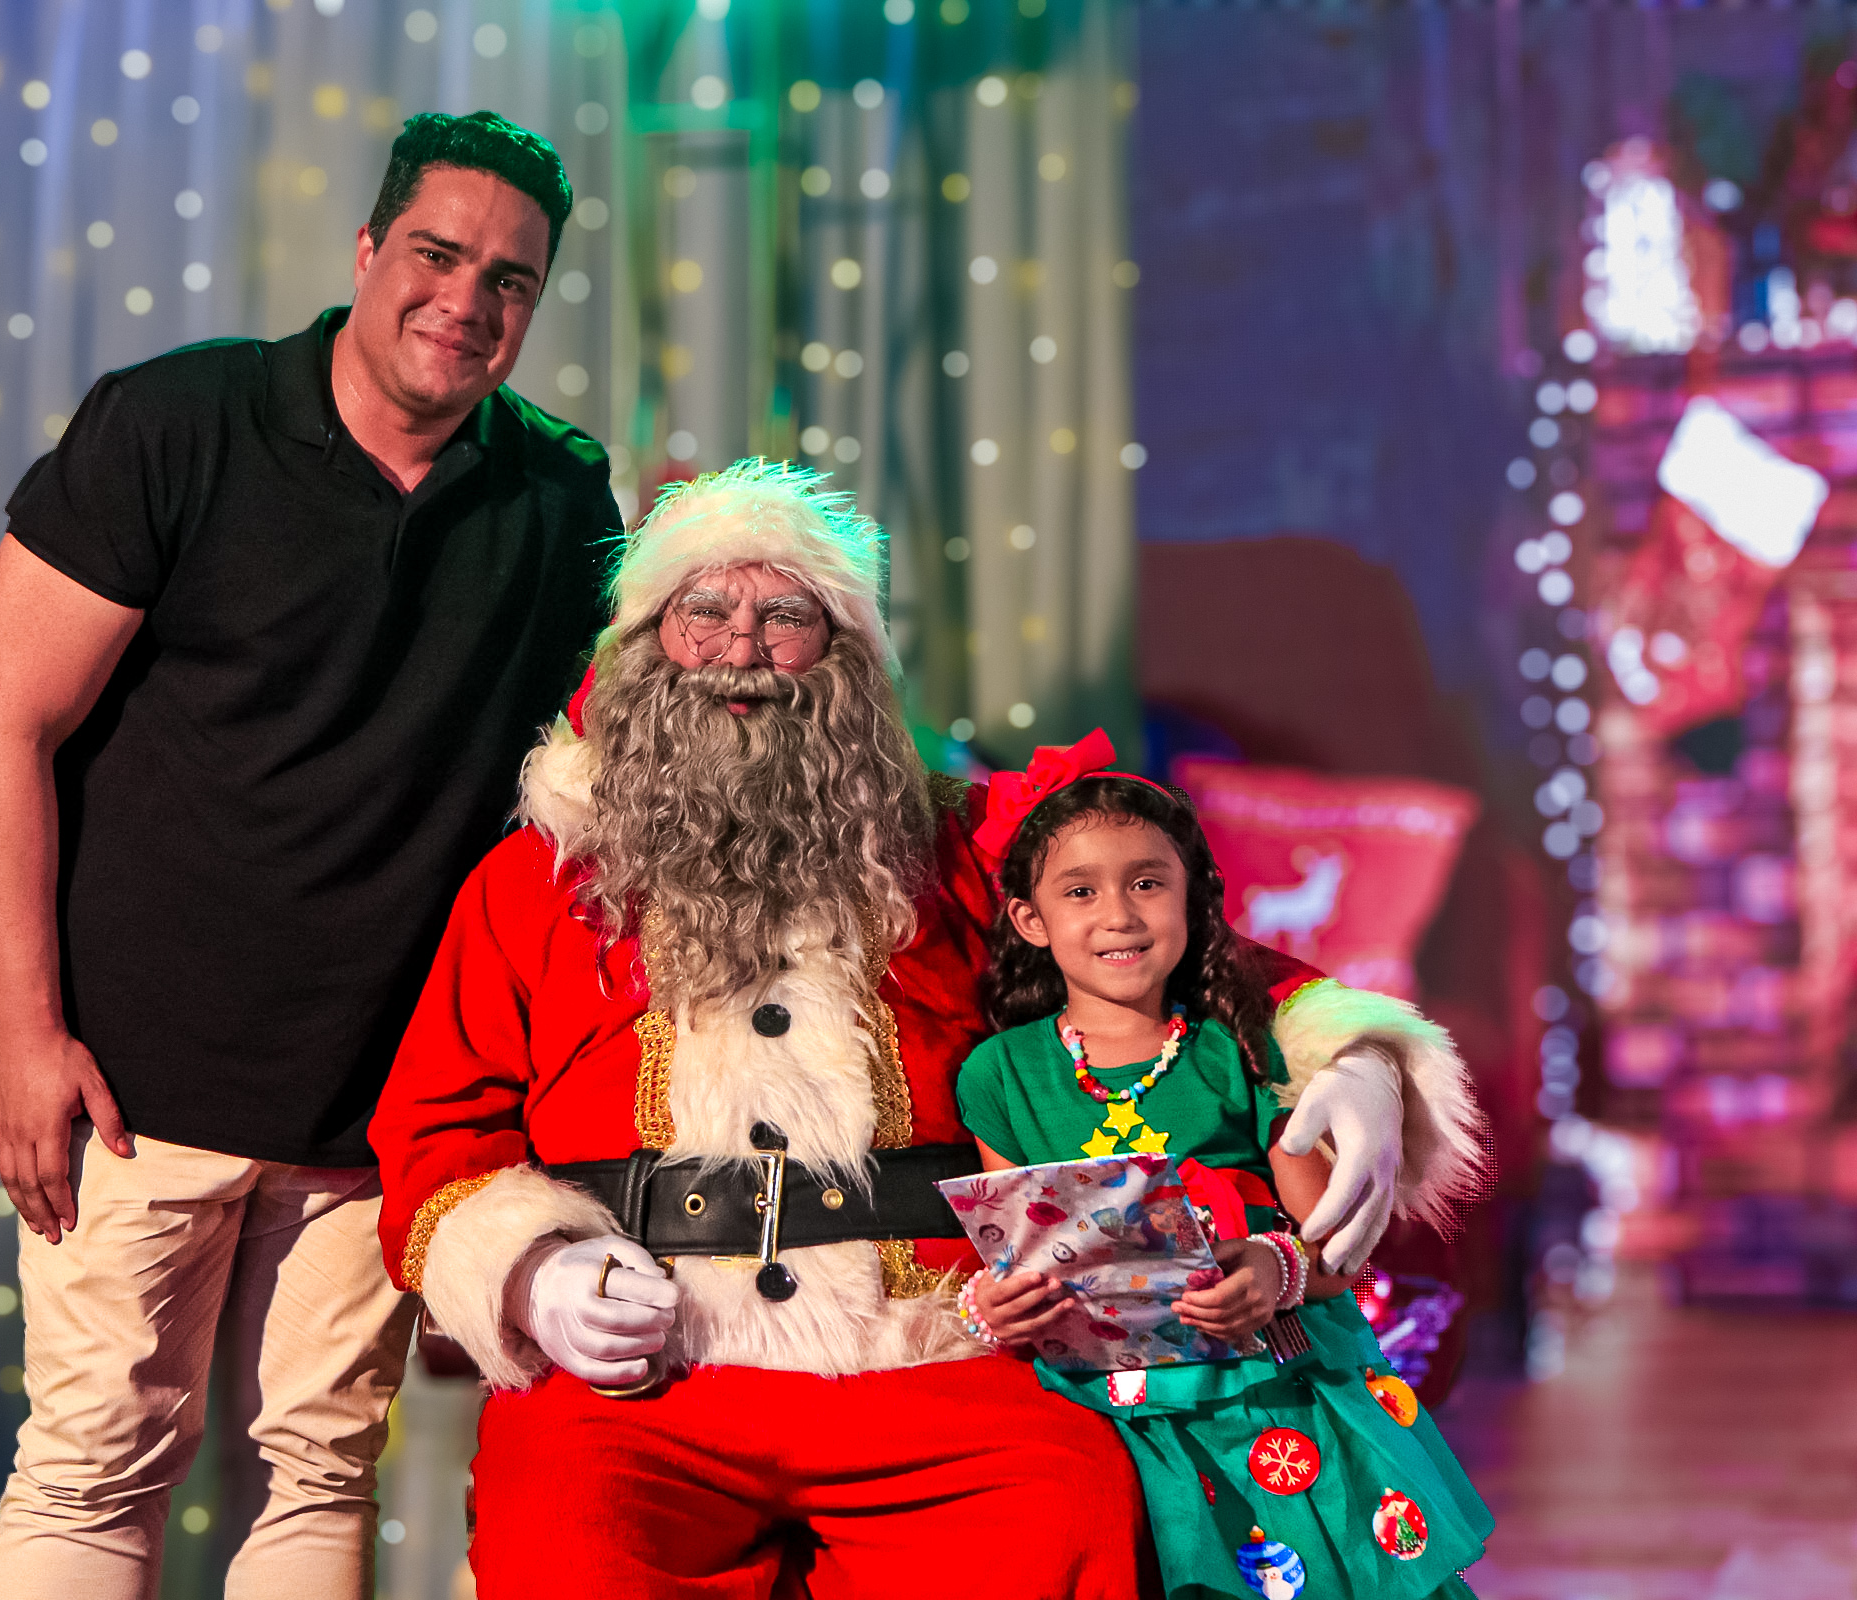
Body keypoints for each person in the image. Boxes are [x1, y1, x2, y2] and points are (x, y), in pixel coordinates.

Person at [368, 459, 1484, 1598]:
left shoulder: (970, 847)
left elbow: (1173, 954)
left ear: (847, 653)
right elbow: (435, 1129)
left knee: (1058, 1505)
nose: (742, 648)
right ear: (646, 647)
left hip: (937, 1350)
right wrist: (533, 1274)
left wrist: (1349, 1053)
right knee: (565, 1546)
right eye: (703, 611)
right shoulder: (534, 881)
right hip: (647, 1377)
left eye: (786, 614)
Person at [0, 111, 617, 1599]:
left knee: (322, 1470)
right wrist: (26, 1034)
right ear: (368, 250)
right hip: (132, 1084)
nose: (466, 298)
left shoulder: (559, 494)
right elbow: (2, 723)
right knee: (92, 1464)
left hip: (375, 1107)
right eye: (437, 254)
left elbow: (589, 779)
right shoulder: (177, 424)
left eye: (509, 279)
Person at [956, 733, 1492, 1600]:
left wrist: (1275, 1272)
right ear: (1029, 919)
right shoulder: (1001, 1075)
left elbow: (1338, 1255)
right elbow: (1016, 1249)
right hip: (1115, 1420)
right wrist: (995, 1308)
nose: (1119, 914)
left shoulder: (1245, 1048)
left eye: (1146, 883)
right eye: (1080, 891)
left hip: (1276, 1398)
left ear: (1194, 897)